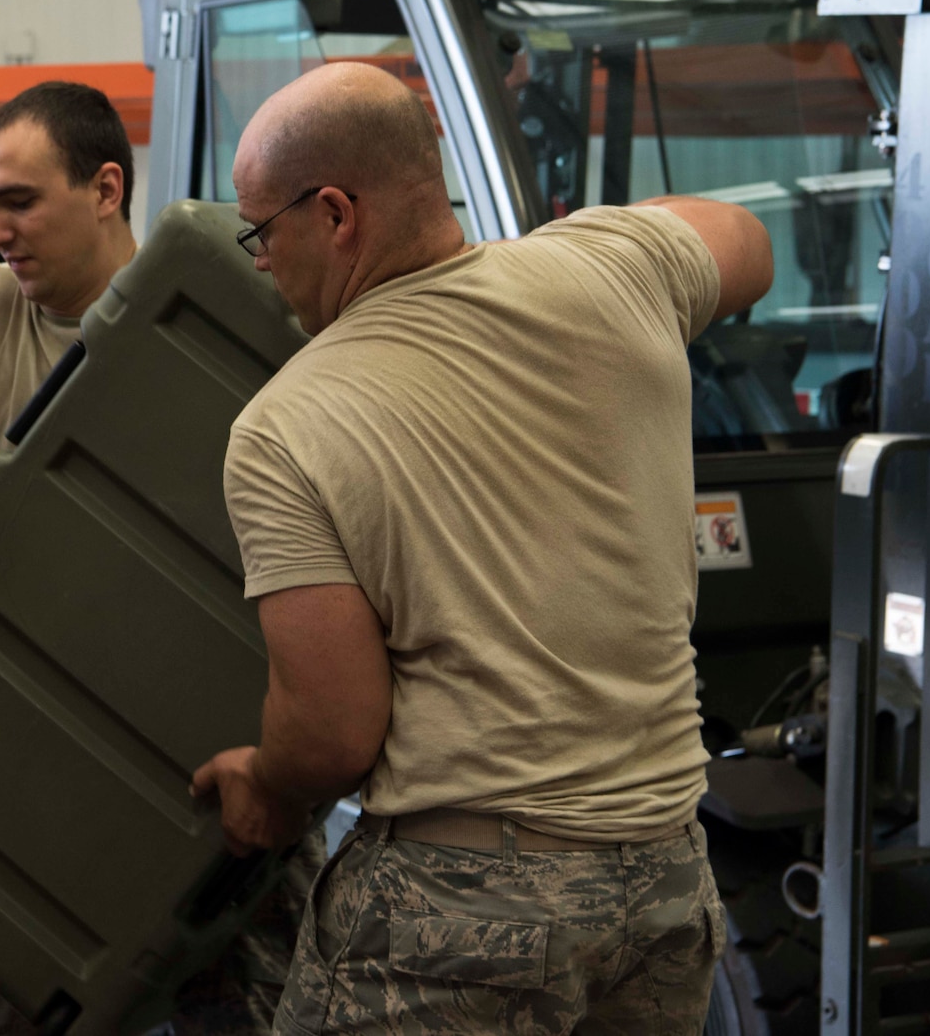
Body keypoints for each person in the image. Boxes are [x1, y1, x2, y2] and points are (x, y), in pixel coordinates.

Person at [191, 61, 773, 1032]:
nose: (259, 260)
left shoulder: (284, 422)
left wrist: (267, 785)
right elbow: (746, 242)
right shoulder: (617, 265)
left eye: (260, 231)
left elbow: (333, 730)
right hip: (666, 880)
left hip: (464, 911)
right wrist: (585, 247)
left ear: (334, 214)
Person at [0, 81, 321, 1036]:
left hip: (213, 754)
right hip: (34, 764)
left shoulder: (233, 319)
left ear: (107, 187)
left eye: (19, 201)